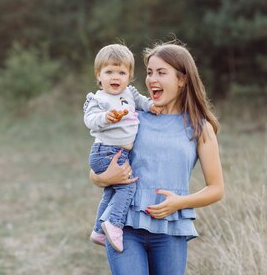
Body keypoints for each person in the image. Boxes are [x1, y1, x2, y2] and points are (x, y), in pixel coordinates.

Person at [89, 40, 224, 275]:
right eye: (150, 72)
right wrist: (104, 178)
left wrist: (179, 202)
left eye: (161, 73)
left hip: (170, 229)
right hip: (124, 226)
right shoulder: (132, 116)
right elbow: (96, 168)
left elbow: (216, 188)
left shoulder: (200, 127)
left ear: (182, 80)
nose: (152, 79)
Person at [84, 44, 161, 252]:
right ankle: (114, 224)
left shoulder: (129, 93)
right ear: (99, 76)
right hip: (106, 151)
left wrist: (151, 107)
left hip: (119, 152)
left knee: (110, 193)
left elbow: (143, 102)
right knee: (127, 187)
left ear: (129, 76)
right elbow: (89, 119)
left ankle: (98, 231)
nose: (115, 77)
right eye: (109, 72)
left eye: (121, 72)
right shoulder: (98, 98)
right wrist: (105, 118)